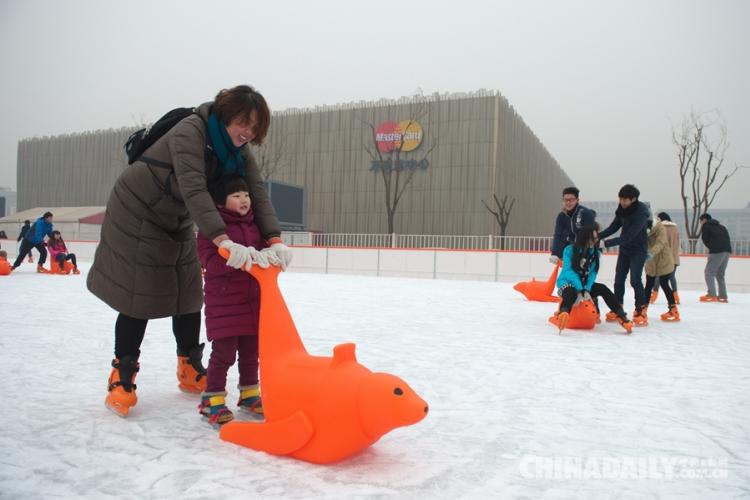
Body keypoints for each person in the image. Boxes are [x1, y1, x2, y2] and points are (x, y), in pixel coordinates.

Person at [87, 85, 293, 417]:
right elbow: (195, 187)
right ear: (227, 115)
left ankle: (189, 364)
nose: (248, 132)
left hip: (178, 214)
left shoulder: (237, 149)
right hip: (138, 210)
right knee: (139, 293)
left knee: (187, 290)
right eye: (244, 122)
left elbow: (257, 191)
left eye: (255, 128)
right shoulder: (191, 132)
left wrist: (274, 238)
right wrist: (222, 239)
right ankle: (122, 374)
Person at [196, 175, 281, 425]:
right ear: (221, 203)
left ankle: (249, 394)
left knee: (250, 352)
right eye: (236, 195)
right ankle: (212, 401)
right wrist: (232, 258)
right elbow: (209, 262)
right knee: (223, 354)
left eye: (246, 194)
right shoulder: (212, 229)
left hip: (253, 301)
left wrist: (271, 255)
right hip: (225, 302)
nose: (244, 199)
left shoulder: (256, 225)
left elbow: (265, 253)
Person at [555, 224, 633, 334]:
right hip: (567, 283)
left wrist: (586, 289)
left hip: (583, 285)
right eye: (593, 238)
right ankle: (564, 313)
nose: (595, 240)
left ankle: (621, 315)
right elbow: (569, 272)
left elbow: (592, 274)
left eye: (596, 238)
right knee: (570, 292)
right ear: (585, 238)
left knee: (603, 288)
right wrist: (580, 289)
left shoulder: (595, 253)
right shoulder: (569, 250)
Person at [598, 184, 650, 326]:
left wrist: (605, 244)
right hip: (625, 250)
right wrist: (597, 236)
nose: (622, 203)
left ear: (633, 199)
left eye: (625, 200)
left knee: (635, 280)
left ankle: (641, 309)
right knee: (619, 279)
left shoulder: (642, 213)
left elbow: (629, 236)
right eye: (620, 199)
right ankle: (617, 307)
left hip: (638, 250)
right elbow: (614, 227)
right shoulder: (622, 210)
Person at [643, 219, 679, 321]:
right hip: (651, 261)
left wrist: (651, 253)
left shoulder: (659, 227)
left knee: (664, 283)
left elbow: (661, 242)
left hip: (663, 259)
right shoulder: (641, 226)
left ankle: (673, 310)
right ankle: (643, 309)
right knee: (649, 284)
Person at [549, 187, 595, 264]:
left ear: (577, 200)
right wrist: (555, 253)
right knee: (568, 274)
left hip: (586, 251)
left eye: (571, 200)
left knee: (584, 274)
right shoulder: (561, 216)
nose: (568, 202)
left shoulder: (586, 213)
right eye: (565, 200)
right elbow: (558, 234)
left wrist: (585, 256)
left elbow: (588, 235)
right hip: (570, 250)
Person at [698, 213, 732, 303]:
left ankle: (711, 294)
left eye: (700, 221)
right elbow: (727, 238)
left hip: (717, 251)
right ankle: (723, 296)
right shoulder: (722, 226)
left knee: (709, 272)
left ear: (704, 220)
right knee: (720, 274)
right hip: (727, 251)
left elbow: (705, 239)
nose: (701, 223)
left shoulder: (706, 226)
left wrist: (712, 248)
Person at [650, 212, 681, 304]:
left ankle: (653, 295)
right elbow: (678, 243)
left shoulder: (660, 228)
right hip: (674, 257)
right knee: (671, 277)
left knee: (657, 276)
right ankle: (676, 297)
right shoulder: (675, 228)